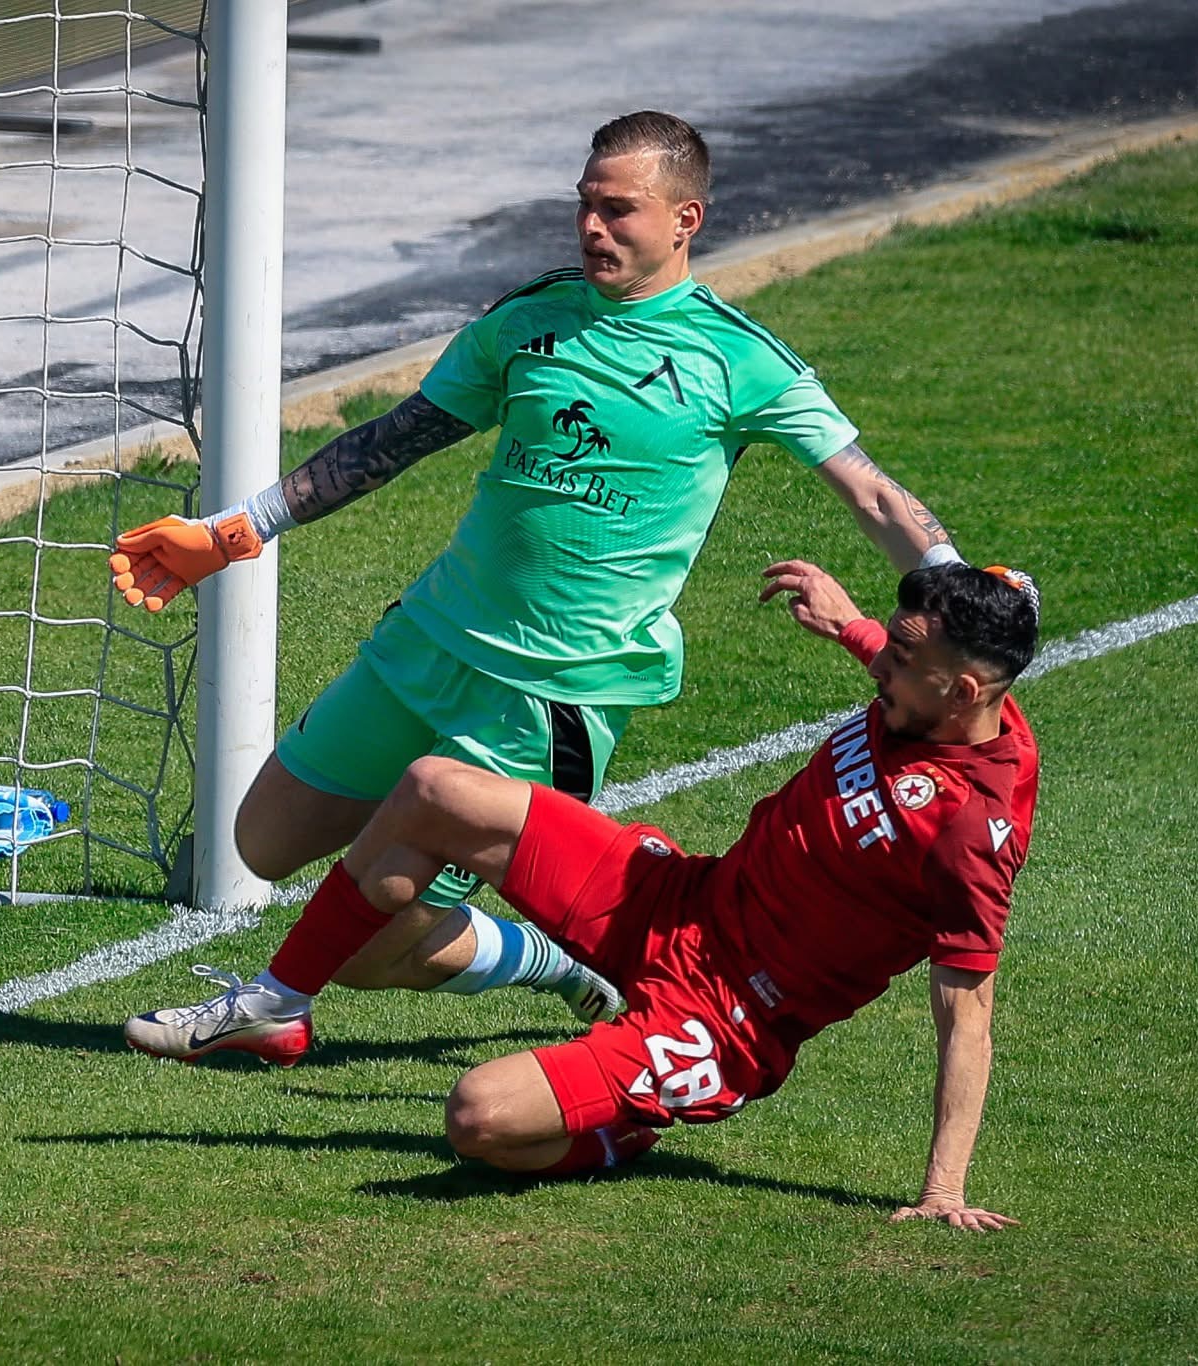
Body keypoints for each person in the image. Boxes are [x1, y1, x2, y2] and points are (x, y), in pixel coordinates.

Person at [110, 110, 967, 1040]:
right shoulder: (533, 318)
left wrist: (962, 583)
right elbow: (397, 438)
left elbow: (873, 496)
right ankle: (552, 958)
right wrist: (238, 529)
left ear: (687, 220)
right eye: (586, 206)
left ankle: (283, 1006)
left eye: (619, 211)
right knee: (261, 841)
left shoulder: (737, 358)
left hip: (552, 691)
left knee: (358, 943)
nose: (594, 228)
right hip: (430, 639)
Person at [137, 559, 1041, 1228]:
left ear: (960, 690)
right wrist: (852, 626)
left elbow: (969, 1014)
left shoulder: (972, 831)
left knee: (478, 1120)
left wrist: (943, 1191)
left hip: (723, 1021)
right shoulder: (930, 695)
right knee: (433, 789)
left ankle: (624, 1128)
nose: (881, 662)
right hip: (680, 898)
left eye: (899, 656)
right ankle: (278, 1004)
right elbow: (908, 664)